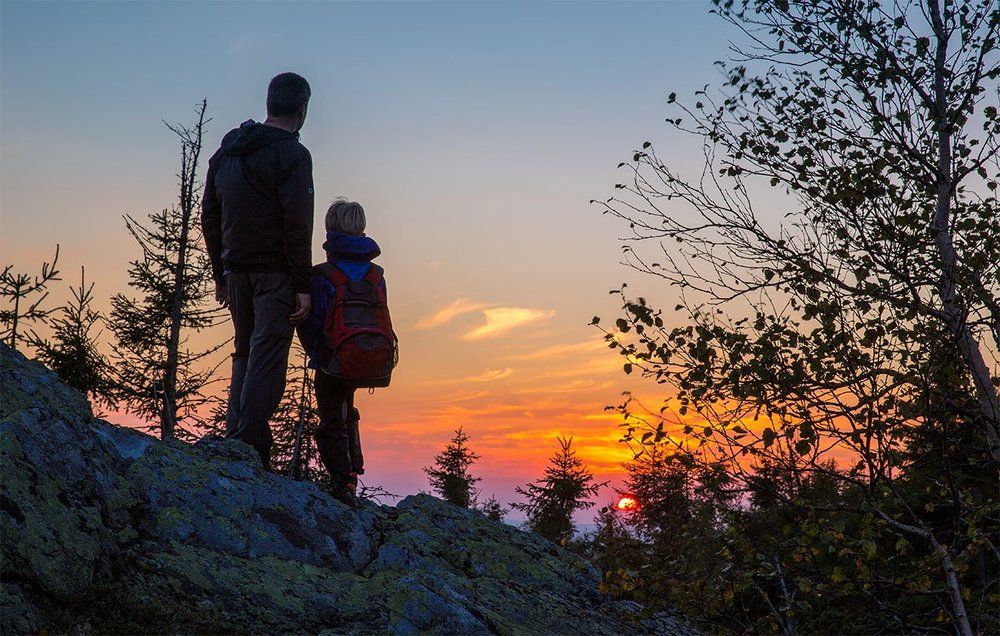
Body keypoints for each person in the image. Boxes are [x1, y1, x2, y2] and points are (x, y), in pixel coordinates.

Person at [201, 72, 314, 470]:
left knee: (245, 352)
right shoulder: (292, 155)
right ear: (302, 109)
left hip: (236, 272)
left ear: (269, 103)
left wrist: (220, 271)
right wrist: (303, 284)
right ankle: (247, 448)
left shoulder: (227, 151)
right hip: (274, 275)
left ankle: (237, 442)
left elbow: (209, 215)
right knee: (266, 355)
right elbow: (297, 224)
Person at [297, 198, 388, 506]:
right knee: (347, 410)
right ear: (361, 229)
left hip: (333, 358)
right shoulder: (376, 274)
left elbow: (314, 321)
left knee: (331, 418)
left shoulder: (323, 274)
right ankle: (353, 470)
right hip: (368, 355)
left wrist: (316, 353)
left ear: (330, 230)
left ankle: (343, 480)